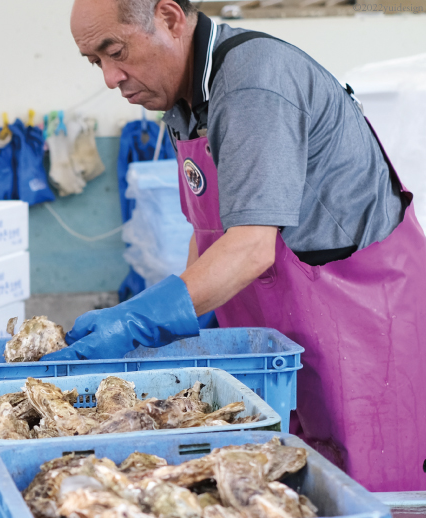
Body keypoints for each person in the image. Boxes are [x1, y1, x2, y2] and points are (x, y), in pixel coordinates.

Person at [43, 0, 426, 492]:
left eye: (115, 52)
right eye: (95, 62)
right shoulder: (183, 101)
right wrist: (180, 325)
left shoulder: (253, 84)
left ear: (169, 18)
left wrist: (138, 320)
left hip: (367, 335)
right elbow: (207, 237)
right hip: (289, 341)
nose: (110, 78)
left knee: (368, 506)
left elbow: (250, 248)